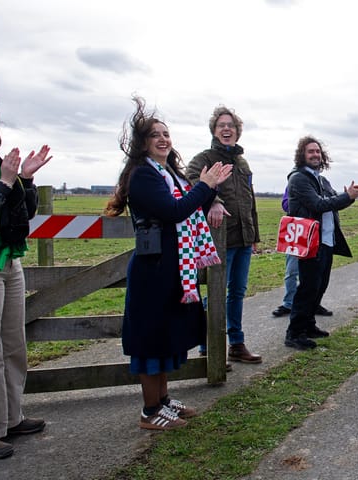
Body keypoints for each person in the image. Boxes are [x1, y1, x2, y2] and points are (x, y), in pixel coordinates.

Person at [106, 97, 232, 430]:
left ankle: (162, 401)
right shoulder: (143, 176)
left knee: (164, 337)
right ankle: (150, 412)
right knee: (151, 340)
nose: (163, 139)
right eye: (155, 135)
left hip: (173, 267)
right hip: (154, 270)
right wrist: (204, 186)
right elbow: (173, 212)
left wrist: (208, 190)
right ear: (142, 143)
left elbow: (190, 209)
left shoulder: (169, 174)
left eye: (166, 133)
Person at [0, 88, 51, 460]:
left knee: (13, 344)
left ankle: (11, 418)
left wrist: (24, 179)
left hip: (9, 260)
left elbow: (22, 213)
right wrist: (5, 182)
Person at [187, 106, 263, 364]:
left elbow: (250, 200)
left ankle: (237, 344)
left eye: (231, 125)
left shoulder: (242, 163)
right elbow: (190, 180)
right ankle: (207, 345)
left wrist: (254, 235)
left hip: (243, 239)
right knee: (215, 292)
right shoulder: (204, 158)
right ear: (214, 130)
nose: (227, 129)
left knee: (237, 292)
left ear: (237, 131)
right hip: (218, 240)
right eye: (221, 125)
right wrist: (213, 201)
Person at [284, 136, 358, 349]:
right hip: (310, 241)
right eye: (310, 151)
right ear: (302, 155)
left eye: (318, 151)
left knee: (320, 286)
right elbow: (318, 204)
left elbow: (333, 203)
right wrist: (347, 196)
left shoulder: (322, 180)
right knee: (308, 287)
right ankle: (294, 333)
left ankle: (309, 325)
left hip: (326, 240)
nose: (315, 155)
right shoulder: (298, 179)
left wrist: (349, 197)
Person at [271, 184, 333, 318]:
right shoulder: (296, 182)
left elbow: (331, 202)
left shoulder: (324, 183)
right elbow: (286, 205)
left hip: (317, 234)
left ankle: (314, 304)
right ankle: (288, 304)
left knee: (317, 274)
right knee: (291, 271)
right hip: (298, 232)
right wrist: (309, 202)